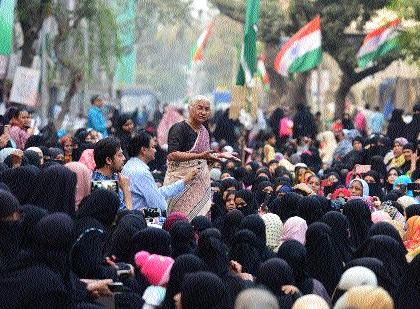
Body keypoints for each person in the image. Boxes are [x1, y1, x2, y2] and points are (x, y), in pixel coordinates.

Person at [164, 96, 239, 219]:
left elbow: (205, 155)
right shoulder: (179, 128)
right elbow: (172, 155)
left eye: (207, 109)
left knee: (200, 222)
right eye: (200, 108)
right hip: (179, 184)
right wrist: (200, 156)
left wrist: (219, 155)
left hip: (199, 184)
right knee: (179, 221)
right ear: (190, 109)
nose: (203, 112)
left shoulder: (204, 131)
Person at [122, 130, 196, 212]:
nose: (155, 150)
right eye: (153, 147)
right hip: (142, 219)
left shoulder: (130, 165)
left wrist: (183, 181)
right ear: (143, 150)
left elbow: (156, 193)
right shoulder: (141, 172)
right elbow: (160, 206)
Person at [92, 136, 132, 210]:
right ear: (108, 160)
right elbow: (127, 217)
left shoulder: (112, 176)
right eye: (120, 155)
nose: (124, 158)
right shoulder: (102, 184)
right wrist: (126, 188)